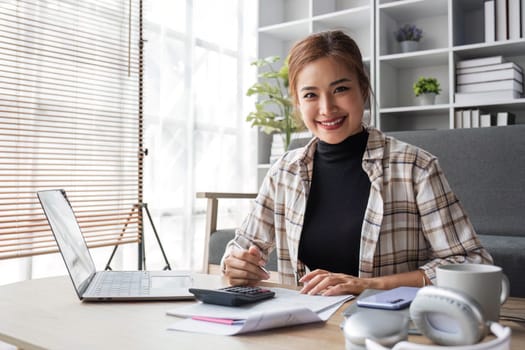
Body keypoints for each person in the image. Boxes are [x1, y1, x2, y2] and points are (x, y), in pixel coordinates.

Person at [221, 30, 493, 296]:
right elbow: (241, 248)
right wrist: (237, 264)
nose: (327, 108)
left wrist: (370, 285)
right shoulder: (283, 172)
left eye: (340, 89)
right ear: (298, 103)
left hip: (390, 326)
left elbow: (472, 262)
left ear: (363, 89)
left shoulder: (416, 167)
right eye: (310, 95)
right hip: (304, 324)